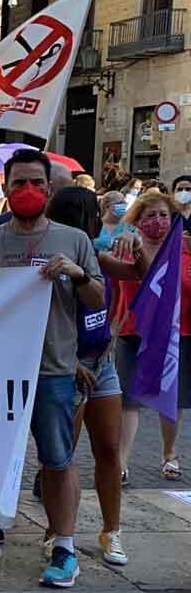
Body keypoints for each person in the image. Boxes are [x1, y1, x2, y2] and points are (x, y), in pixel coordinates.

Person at [0, 149, 105, 589]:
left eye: (36, 182)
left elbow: (96, 300)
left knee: (57, 460)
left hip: (52, 369)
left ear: (50, 188)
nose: (27, 191)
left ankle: (64, 547)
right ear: (4, 187)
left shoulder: (74, 239)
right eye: (18, 183)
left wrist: (77, 275)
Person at [42, 186, 128, 566]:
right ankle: (57, 531)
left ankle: (112, 530)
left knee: (109, 449)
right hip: (68, 366)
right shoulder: (52, 258)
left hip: (102, 363)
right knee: (60, 456)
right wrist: (68, 360)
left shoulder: (98, 253)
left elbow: (144, 271)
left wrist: (133, 238)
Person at [104, 192, 189, 485]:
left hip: (177, 334)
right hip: (133, 332)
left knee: (172, 396)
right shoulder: (127, 249)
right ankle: (122, 463)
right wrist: (110, 330)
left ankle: (169, 453)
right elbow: (115, 294)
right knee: (128, 400)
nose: (157, 221)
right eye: (150, 215)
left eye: (163, 215)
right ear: (138, 220)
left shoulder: (185, 250)